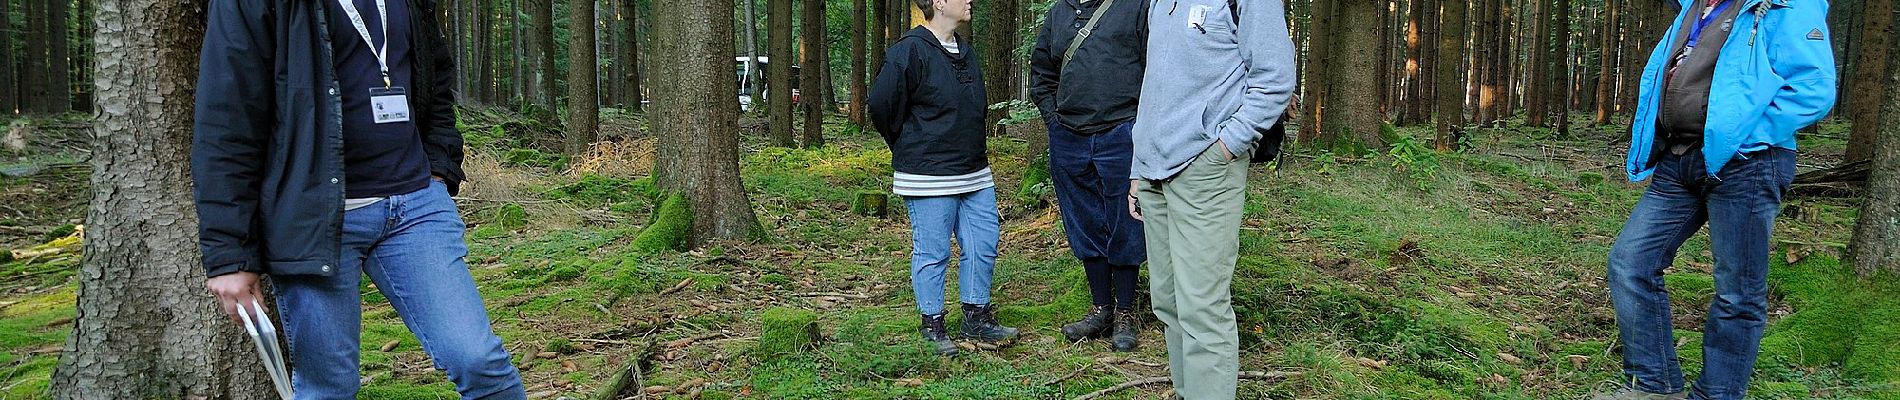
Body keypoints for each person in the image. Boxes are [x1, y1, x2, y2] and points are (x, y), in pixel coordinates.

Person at [193, 0, 527, 398]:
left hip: (415, 207)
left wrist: (439, 166)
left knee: (480, 361)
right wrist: (229, 255)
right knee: (328, 388)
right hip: (315, 222)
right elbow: (226, 118)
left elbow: (434, 74)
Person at [1597, 0, 1835, 399]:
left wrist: (1744, 137)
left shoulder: (1787, 6)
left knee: (1738, 292)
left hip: (1748, 163)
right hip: (1680, 158)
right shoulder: (1695, 7)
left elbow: (1813, 90)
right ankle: (1655, 387)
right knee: (1631, 262)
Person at [1130, 0, 1294, 398]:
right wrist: (1137, 168)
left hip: (1205, 171)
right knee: (1168, 304)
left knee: (1202, 309)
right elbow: (1154, 85)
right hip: (1153, 171)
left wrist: (1228, 145)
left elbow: (1274, 78)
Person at [867, 0, 1020, 357]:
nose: (969, 1)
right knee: (933, 252)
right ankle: (933, 324)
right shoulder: (909, 51)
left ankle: (976, 316)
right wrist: (909, 144)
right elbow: (880, 105)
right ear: (938, 3)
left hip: (974, 171)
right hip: (928, 174)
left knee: (983, 244)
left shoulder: (965, 52)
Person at [1030, 0, 1150, 352]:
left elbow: (1155, 69)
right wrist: (1055, 122)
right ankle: (1101, 309)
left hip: (1122, 132)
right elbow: (1042, 72)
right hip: (1069, 135)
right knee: (1084, 222)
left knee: (1125, 222)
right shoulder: (1059, 12)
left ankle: (1126, 313)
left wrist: (1139, 128)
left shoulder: (1135, 6)